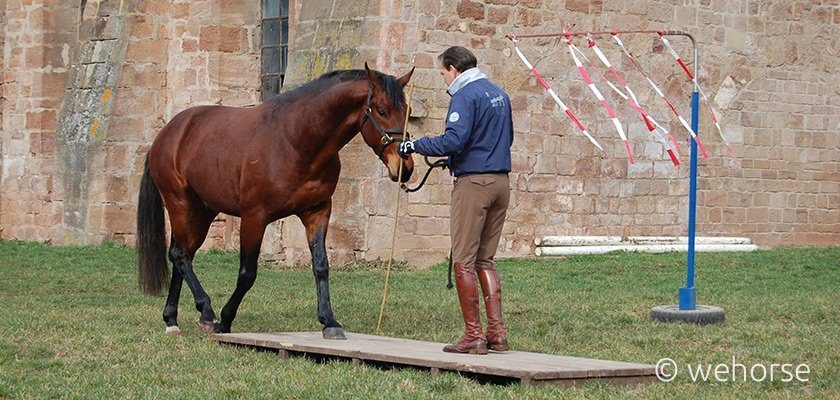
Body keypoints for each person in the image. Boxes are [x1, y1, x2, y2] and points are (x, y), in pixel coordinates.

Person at [398, 46, 513, 355]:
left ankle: (474, 336)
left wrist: (414, 144)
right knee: (485, 260)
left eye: (443, 74)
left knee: (463, 260)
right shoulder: (499, 93)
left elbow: (454, 140)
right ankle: (497, 334)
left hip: (474, 184)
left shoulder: (464, 95)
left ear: (453, 69)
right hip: (501, 181)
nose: (444, 80)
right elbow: (503, 138)